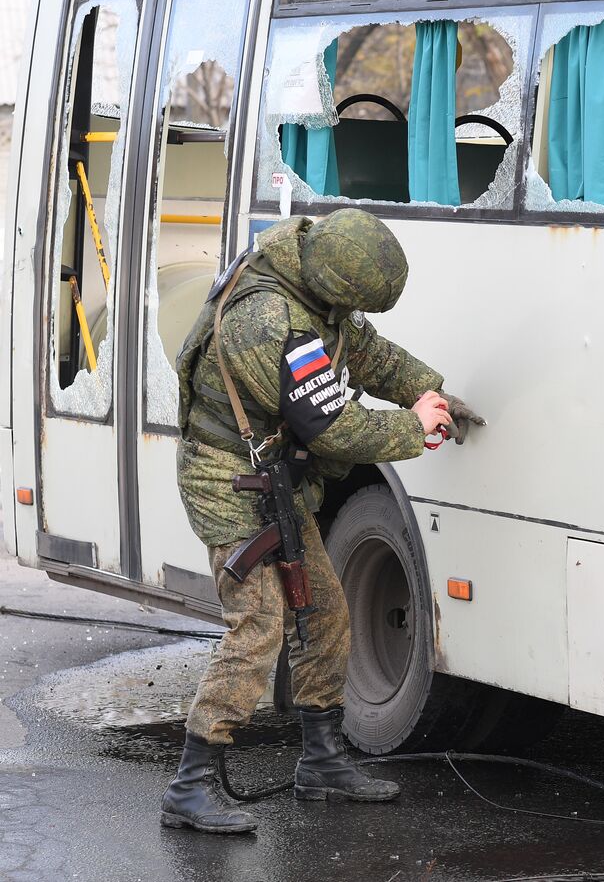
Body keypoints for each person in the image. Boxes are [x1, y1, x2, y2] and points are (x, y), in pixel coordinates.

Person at [160, 209, 483, 834]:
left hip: (270, 480)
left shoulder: (309, 287)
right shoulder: (267, 320)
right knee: (259, 624)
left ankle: (322, 761)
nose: (352, 318)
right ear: (334, 282)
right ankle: (190, 785)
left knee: (326, 613)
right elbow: (333, 430)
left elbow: (364, 354)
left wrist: (432, 391)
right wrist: (414, 426)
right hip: (227, 483)